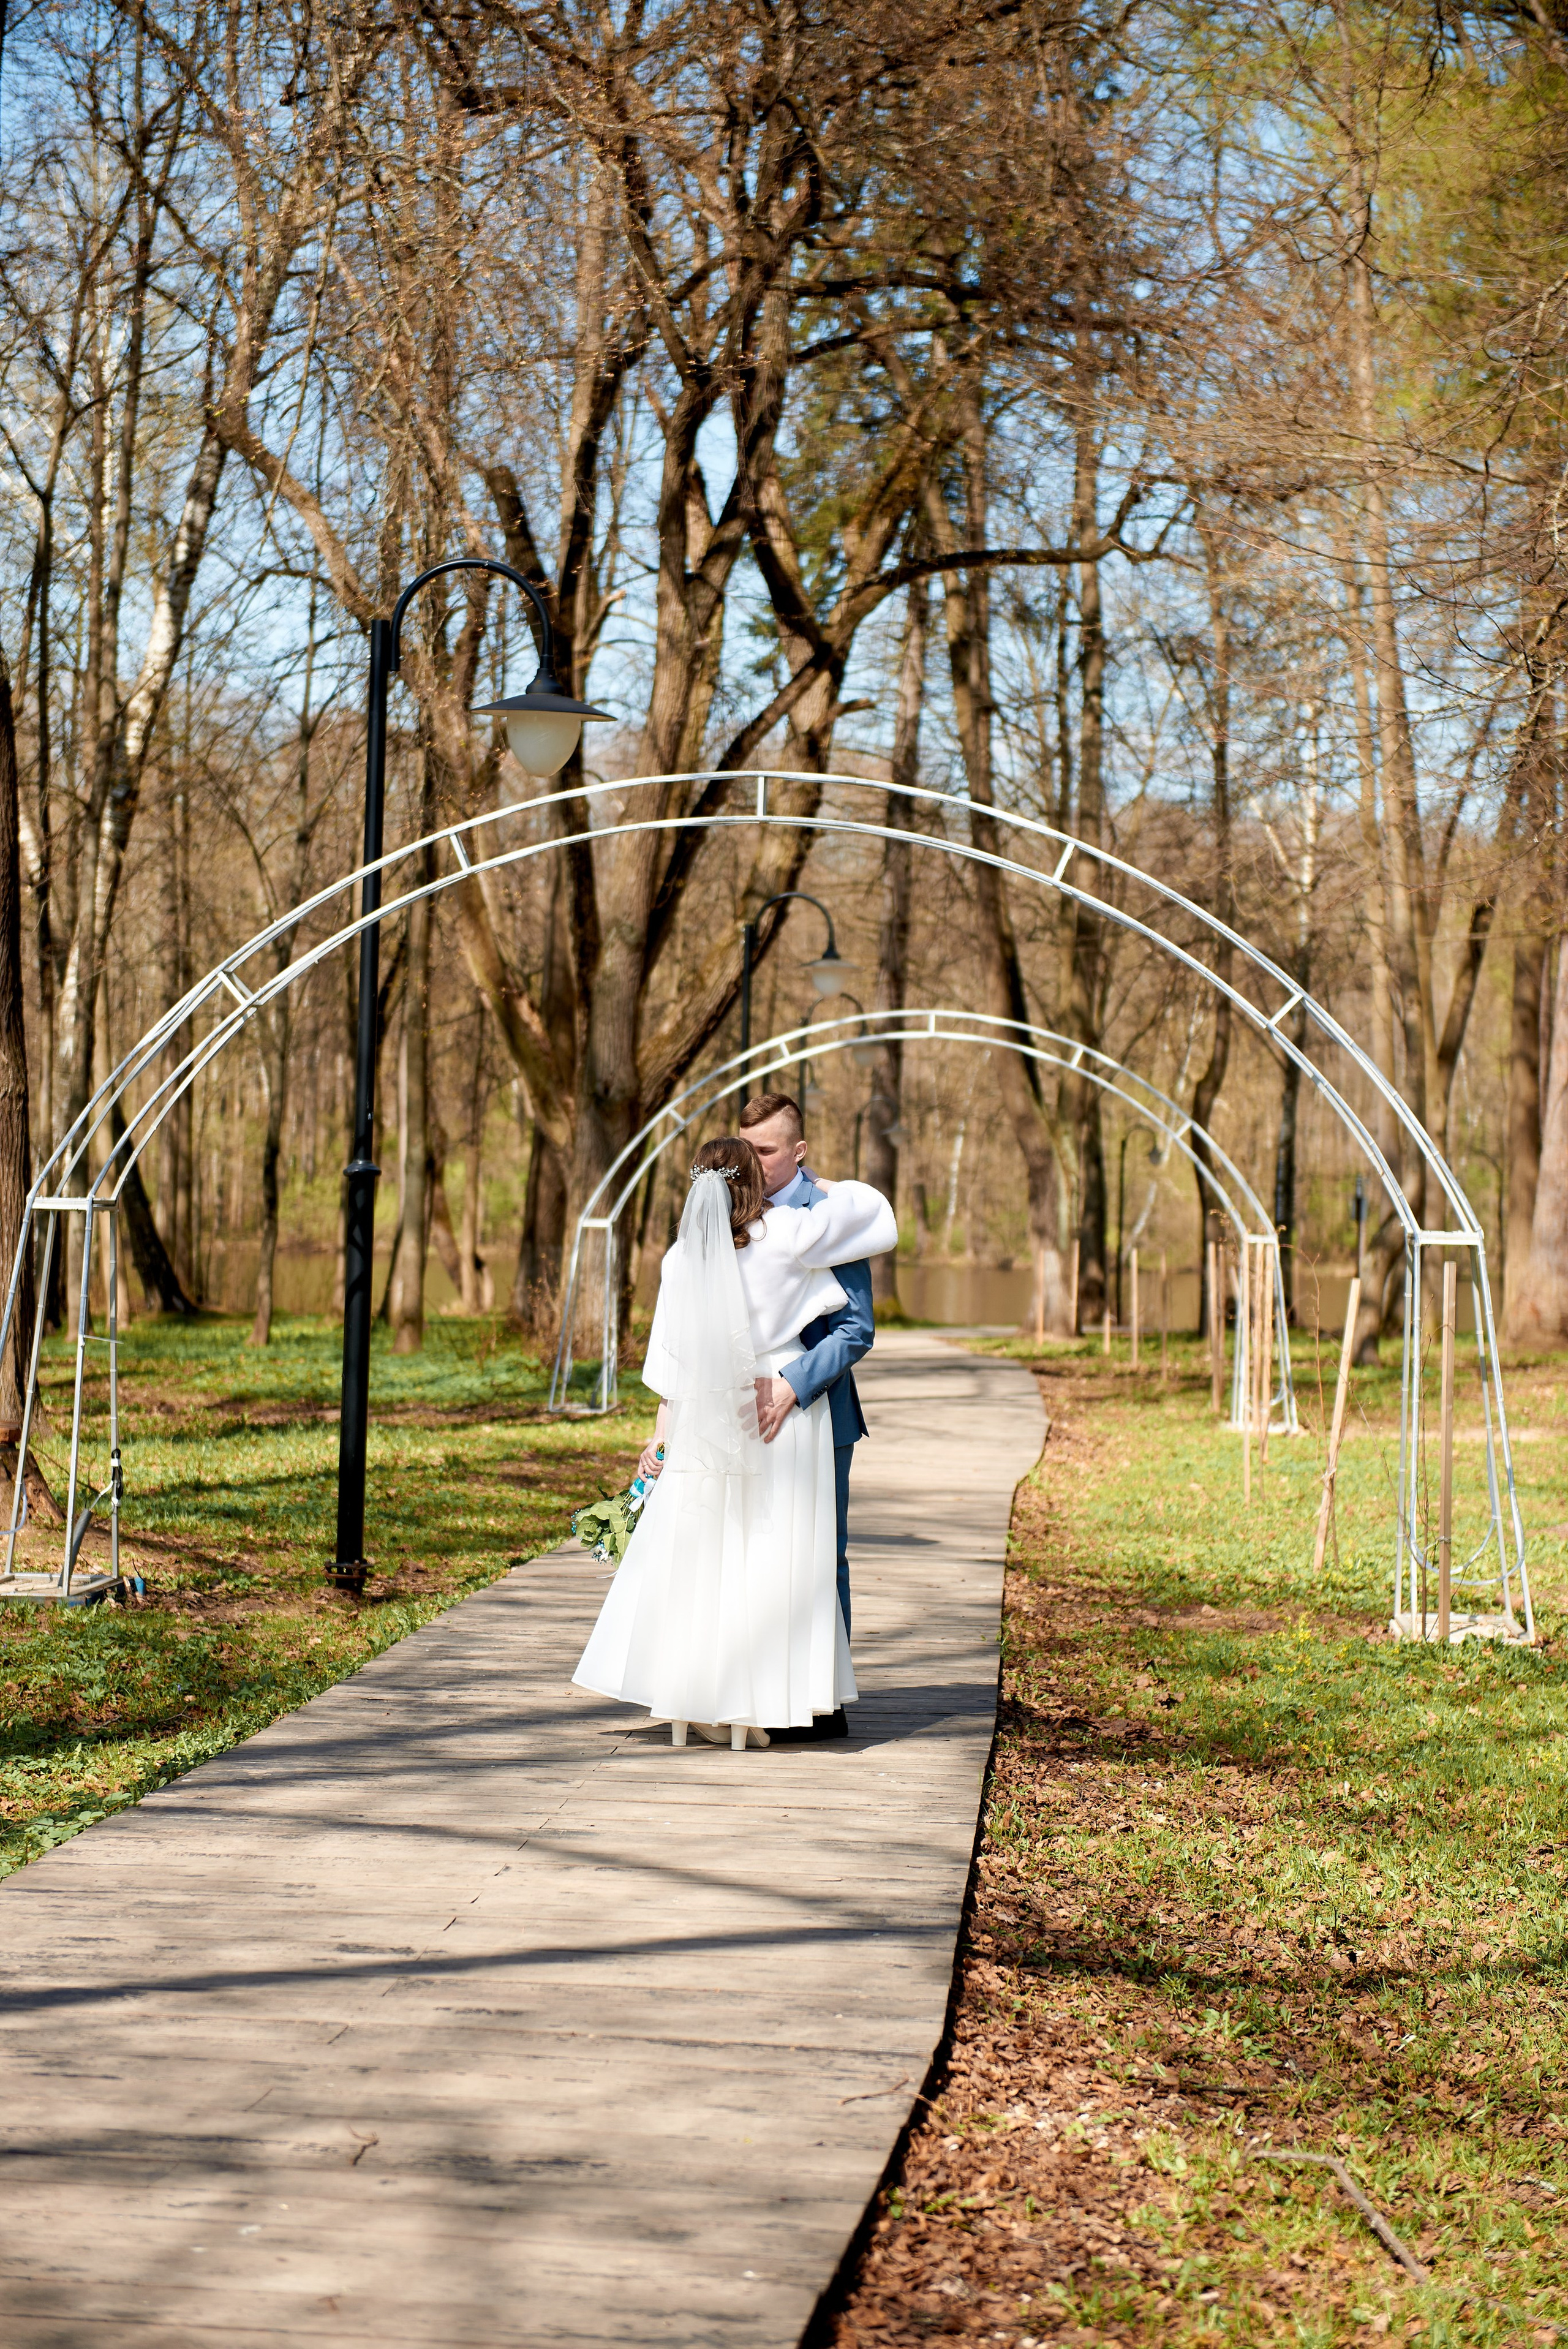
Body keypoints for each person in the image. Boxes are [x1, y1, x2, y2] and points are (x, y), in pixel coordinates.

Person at [571, 1137, 897, 1751]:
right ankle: (762, 1701)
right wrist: (823, 1187)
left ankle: (690, 1696)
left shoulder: (679, 1260)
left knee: (707, 1558)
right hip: (781, 1407)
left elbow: (671, 1369)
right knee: (776, 1562)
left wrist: (660, 1443)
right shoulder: (794, 1232)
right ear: (755, 1182)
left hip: (704, 1412)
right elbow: (876, 1216)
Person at [738, 1090, 873, 1741]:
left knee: (823, 1553)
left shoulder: (833, 1216)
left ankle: (824, 1701)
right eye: (745, 1149)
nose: (752, 1162)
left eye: (764, 1151)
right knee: (754, 1551)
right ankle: (760, 1686)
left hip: (817, 1409)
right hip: (740, 1416)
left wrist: (793, 1385)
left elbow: (856, 1329)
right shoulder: (733, 1209)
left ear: (797, 1152)